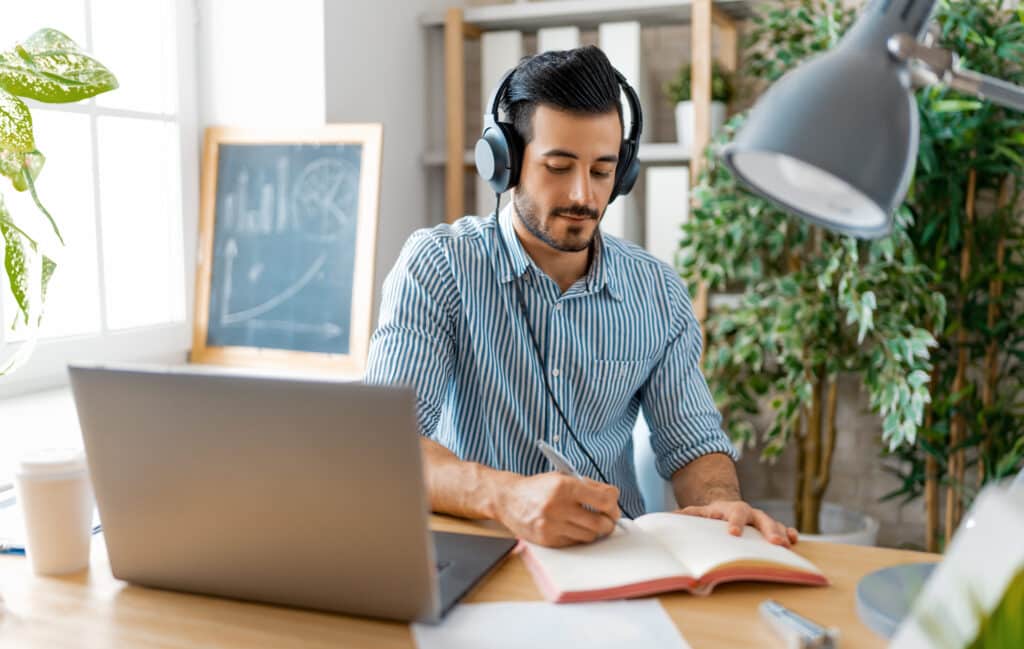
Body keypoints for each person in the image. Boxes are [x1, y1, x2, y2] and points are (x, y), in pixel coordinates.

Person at [367, 46, 798, 549]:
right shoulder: (438, 267)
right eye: (558, 166)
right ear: (505, 163)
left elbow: (693, 445)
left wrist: (721, 498)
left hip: (614, 553)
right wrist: (507, 496)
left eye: (601, 172)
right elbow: (384, 447)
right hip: (479, 548)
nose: (583, 196)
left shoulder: (657, 292)